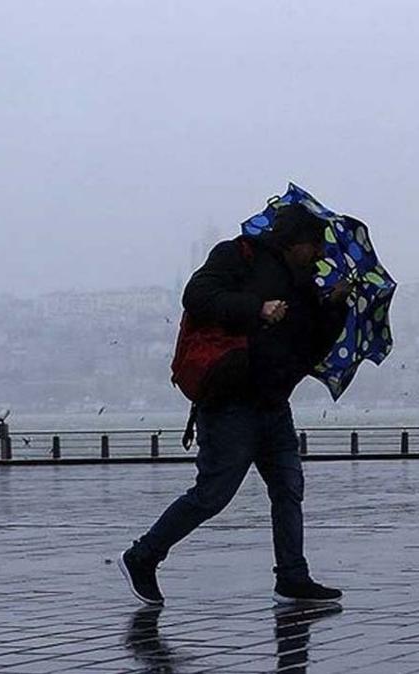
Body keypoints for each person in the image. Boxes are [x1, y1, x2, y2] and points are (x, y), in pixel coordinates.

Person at [118, 203, 349, 606]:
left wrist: (334, 306)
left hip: (274, 404)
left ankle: (292, 577)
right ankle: (143, 556)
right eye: (314, 245)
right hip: (230, 402)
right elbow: (197, 296)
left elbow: (312, 348)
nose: (319, 255)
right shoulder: (237, 255)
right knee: (213, 493)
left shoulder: (306, 286)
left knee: (288, 489)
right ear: (293, 242)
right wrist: (256, 308)